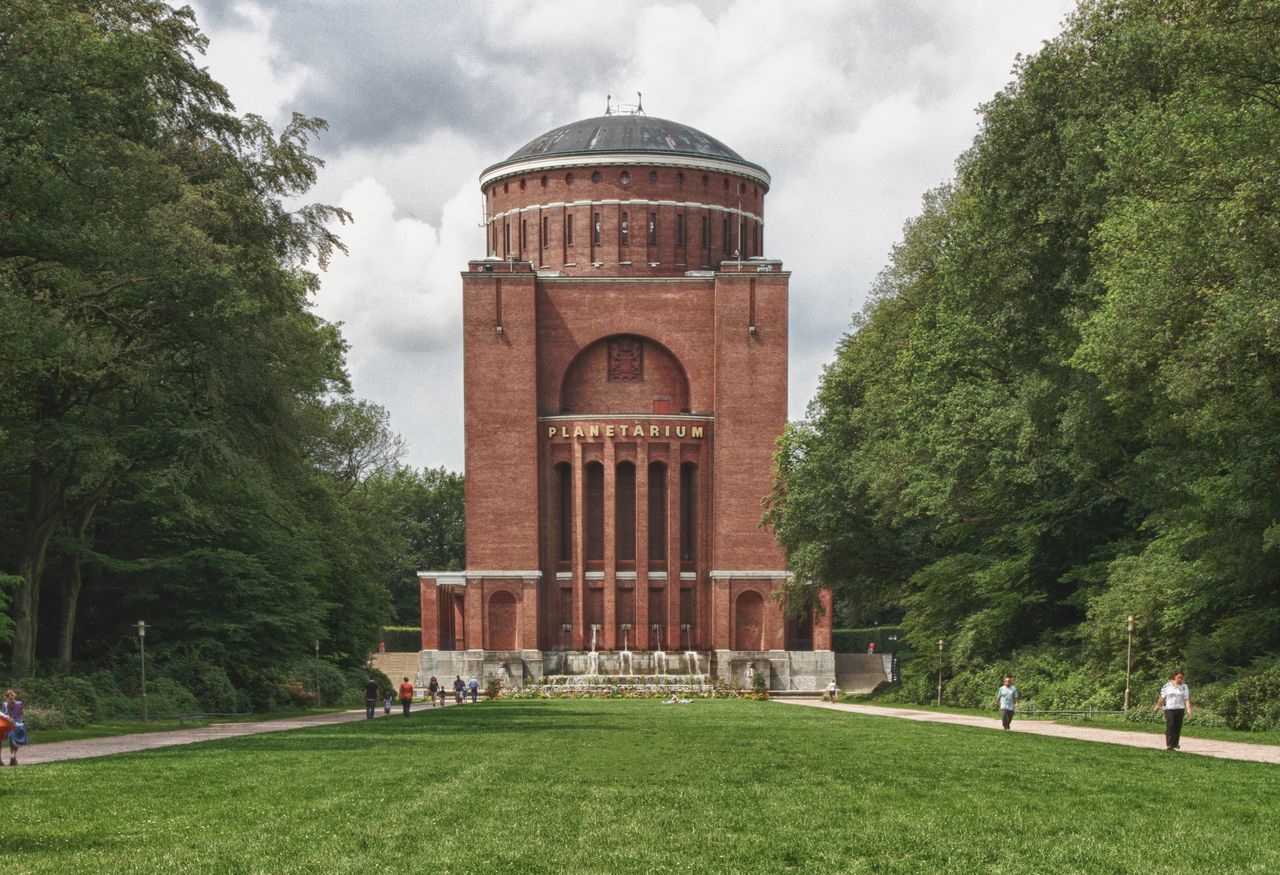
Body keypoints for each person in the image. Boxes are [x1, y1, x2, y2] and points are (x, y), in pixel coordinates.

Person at [1154, 670, 1192, 750]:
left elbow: (1186, 699)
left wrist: (1188, 709)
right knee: (1170, 725)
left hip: (1180, 709)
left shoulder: (1184, 687)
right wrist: (1157, 706)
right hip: (1169, 708)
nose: (1180, 679)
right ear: (1175, 677)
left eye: (1181, 678)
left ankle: (1175, 744)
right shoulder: (1167, 685)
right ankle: (1169, 744)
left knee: (1177, 727)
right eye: (1178, 677)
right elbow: (1162, 697)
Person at [1, 690, 25, 766]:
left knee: (1, 740)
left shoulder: (4, 704)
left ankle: (0, 760)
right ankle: (13, 755)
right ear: (14, 695)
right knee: (15, 741)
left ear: (5, 696)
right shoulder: (19, 703)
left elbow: (3, 715)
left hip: (8, 725)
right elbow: (21, 714)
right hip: (18, 724)